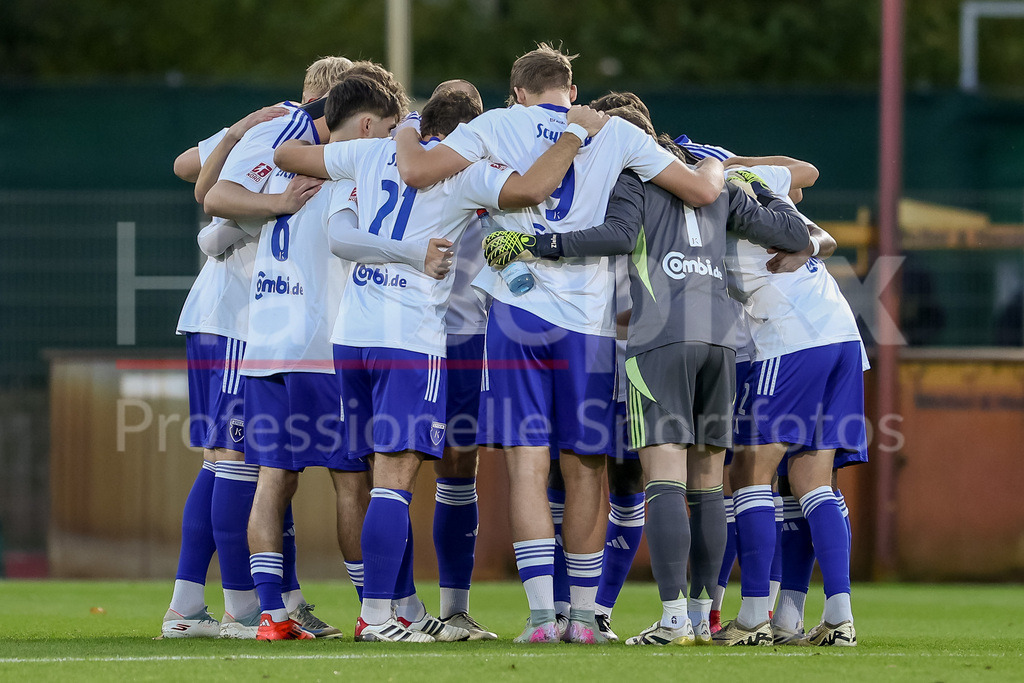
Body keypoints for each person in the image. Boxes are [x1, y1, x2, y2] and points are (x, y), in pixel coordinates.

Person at [392, 42, 724, 644]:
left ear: (518, 91)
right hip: (590, 323)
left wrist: (409, 126)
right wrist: (719, 166)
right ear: (571, 90)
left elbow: (417, 173)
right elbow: (700, 193)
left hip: (515, 317)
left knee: (526, 465)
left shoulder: (496, 124)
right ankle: (584, 618)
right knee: (586, 468)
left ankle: (542, 619)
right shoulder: (615, 132)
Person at [275, 79, 607, 642]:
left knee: (376, 474)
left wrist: (400, 130)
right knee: (406, 477)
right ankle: (386, 614)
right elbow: (531, 190)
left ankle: (404, 608)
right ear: (469, 132)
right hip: (428, 333)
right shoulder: (470, 172)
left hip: (352, 333)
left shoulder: (371, 150)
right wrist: (574, 133)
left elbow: (290, 160)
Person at [481, 122, 811, 646]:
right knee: (707, 487)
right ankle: (706, 618)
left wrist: (534, 242)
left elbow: (612, 235)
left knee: (664, 482)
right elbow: (797, 233)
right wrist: (797, 247)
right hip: (722, 340)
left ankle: (674, 618)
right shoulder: (719, 184)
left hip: (661, 338)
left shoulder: (635, 180)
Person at [200, 59, 354, 640]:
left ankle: (270, 612)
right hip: (305, 340)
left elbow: (206, 195)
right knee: (352, 476)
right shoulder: (334, 159)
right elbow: (210, 215)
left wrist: (261, 184)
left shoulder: (281, 143)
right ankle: (379, 610)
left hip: (263, 339)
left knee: (268, 477)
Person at [722, 159, 865, 648]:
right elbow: (806, 178)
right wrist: (810, 244)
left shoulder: (704, 198)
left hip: (790, 338)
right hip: (841, 334)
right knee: (809, 481)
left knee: (749, 471)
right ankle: (833, 618)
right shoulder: (756, 185)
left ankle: (751, 615)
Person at [162, 103, 288, 639]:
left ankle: (187, 606)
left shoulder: (262, 132)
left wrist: (234, 134)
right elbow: (213, 227)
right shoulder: (285, 140)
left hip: (214, 316)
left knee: (219, 461)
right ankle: (239, 607)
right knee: (236, 461)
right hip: (236, 319)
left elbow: (187, 164)